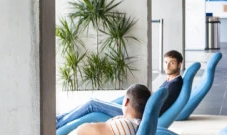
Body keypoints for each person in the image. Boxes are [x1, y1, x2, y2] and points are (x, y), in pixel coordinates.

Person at [55, 50, 184, 129]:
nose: (167, 66)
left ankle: (59, 124)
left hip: (138, 113)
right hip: (139, 109)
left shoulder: (174, 85)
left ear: (179, 64)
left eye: (171, 63)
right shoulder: (170, 81)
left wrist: (138, 105)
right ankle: (60, 118)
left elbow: (159, 109)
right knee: (117, 98)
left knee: (92, 104)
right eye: (165, 62)